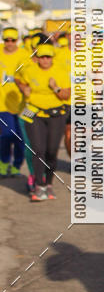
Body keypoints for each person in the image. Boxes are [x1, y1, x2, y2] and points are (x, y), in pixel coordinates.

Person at [15, 43, 70, 201]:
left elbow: (66, 95)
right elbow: (19, 79)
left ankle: (49, 182)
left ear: (52, 58)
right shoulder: (30, 70)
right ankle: (39, 186)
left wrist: (56, 88)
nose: (45, 60)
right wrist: (23, 88)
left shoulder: (60, 72)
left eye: (48, 57)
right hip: (34, 113)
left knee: (51, 151)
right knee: (38, 149)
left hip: (55, 114)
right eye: (42, 57)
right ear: (37, 58)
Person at [0, 27, 25, 177]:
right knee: (6, 135)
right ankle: (3, 163)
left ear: (17, 41)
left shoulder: (25, 55)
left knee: (20, 137)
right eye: (6, 40)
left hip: (22, 105)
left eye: (13, 40)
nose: (9, 43)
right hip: (2, 104)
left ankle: (16, 165)